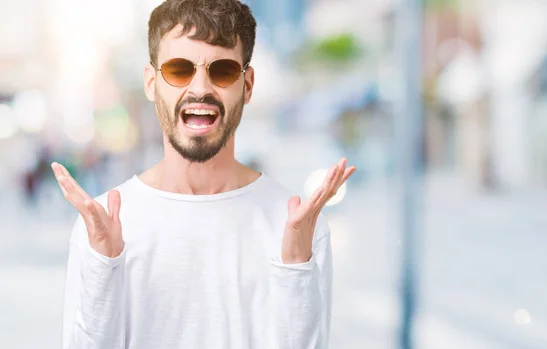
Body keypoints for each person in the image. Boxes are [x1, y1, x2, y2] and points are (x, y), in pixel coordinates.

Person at [50, 1, 355, 349]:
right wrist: (104, 263)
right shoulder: (102, 223)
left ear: (248, 84)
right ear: (151, 83)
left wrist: (295, 269)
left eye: (222, 70)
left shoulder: (298, 225)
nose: (200, 88)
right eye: (179, 69)